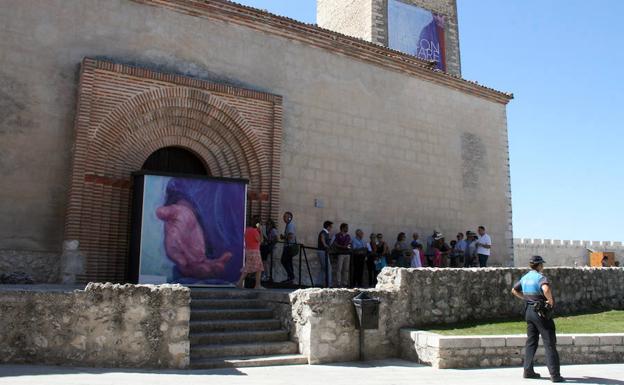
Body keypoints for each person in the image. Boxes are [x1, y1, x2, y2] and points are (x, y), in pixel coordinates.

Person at [511, 256, 564, 383]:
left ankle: (528, 371)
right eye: (542, 265)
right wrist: (550, 301)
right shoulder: (540, 277)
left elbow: (514, 290)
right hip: (541, 312)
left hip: (528, 311)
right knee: (549, 342)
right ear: (539, 265)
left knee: (531, 342)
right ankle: (555, 375)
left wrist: (525, 298)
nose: (542, 267)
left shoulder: (525, 277)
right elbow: (545, 289)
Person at [236, 217, 264, 289]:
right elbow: (260, 240)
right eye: (260, 224)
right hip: (255, 251)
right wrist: (261, 232)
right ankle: (257, 285)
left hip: (248, 251)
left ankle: (239, 282)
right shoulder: (255, 231)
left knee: (248, 267)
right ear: (258, 224)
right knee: (259, 268)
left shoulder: (247, 230)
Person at [279, 211, 297, 284]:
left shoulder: (290, 225)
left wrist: (283, 237)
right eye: (284, 216)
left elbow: (290, 236)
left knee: (284, 261)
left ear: (290, 218)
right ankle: (290, 278)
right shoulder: (288, 225)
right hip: (288, 246)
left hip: (289, 247)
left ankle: (291, 276)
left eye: (285, 216)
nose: (284, 218)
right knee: (289, 262)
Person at [333, 223, 352, 287]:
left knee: (346, 269)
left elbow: (349, 244)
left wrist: (348, 247)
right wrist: (342, 247)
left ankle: (345, 283)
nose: (347, 228)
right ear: (342, 228)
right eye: (346, 227)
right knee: (339, 269)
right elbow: (335, 244)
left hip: (347, 254)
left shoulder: (348, 236)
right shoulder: (338, 235)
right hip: (340, 253)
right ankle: (338, 283)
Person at [316, 221, 333, 287]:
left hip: (322, 251)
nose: (331, 228)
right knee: (328, 268)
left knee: (323, 268)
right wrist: (326, 246)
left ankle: (318, 283)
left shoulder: (326, 233)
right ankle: (329, 284)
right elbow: (322, 239)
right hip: (322, 251)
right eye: (331, 227)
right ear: (328, 227)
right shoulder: (323, 232)